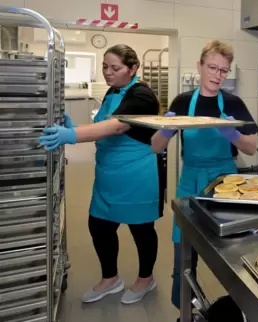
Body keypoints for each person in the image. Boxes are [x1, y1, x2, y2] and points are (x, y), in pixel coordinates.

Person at [38, 44, 166, 304]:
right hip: (109, 173)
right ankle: (111, 279)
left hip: (136, 174)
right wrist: (76, 126)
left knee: (141, 229)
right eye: (105, 67)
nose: (108, 72)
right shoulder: (113, 92)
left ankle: (146, 279)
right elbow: (102, 124)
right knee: (99, 225)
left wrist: (71, 136)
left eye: (115, 68)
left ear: (133, 69)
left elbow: (118, 127)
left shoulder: (142, 96)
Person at [151, 40, 258, 317]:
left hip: (226, 182)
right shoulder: (183, 102)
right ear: (199, 66)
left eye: (223, 71)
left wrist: (232, 134)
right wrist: (166, 127)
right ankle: (186, 309)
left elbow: (250, 147)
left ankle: (234, 312)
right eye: (212, 67)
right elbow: (156, 147)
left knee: (230, 254)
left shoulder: (233, 103)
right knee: (183, 254)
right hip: (190, 181)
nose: (217, 75)